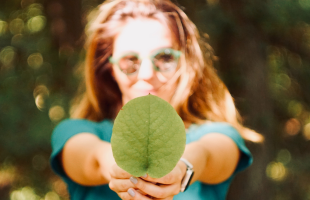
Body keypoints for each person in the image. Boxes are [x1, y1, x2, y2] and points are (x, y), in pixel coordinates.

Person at [50, 0, 263, 199]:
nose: (146, 73)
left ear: (185, 63)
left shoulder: (218, 134)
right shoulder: (74, 132)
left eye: (164, 57)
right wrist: (120, 168)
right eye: (129, 60)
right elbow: (92, 159)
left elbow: (207, 155)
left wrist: (182, 169)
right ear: (110, 69)